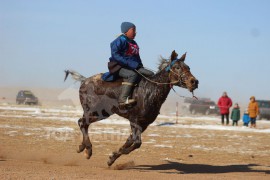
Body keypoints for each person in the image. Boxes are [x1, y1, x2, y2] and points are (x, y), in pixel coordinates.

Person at [103, 22, 154, 106]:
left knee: (150, 74)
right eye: (133, 30)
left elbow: (137, 56)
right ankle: (123, 99)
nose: (135, 32)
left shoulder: (134, 43)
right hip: (119, 67)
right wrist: (131, 64)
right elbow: (115, 55)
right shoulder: (119, 41)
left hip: (133, 66)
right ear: (126, 31)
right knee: (132, 75)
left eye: (135, 30)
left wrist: (140, 65)